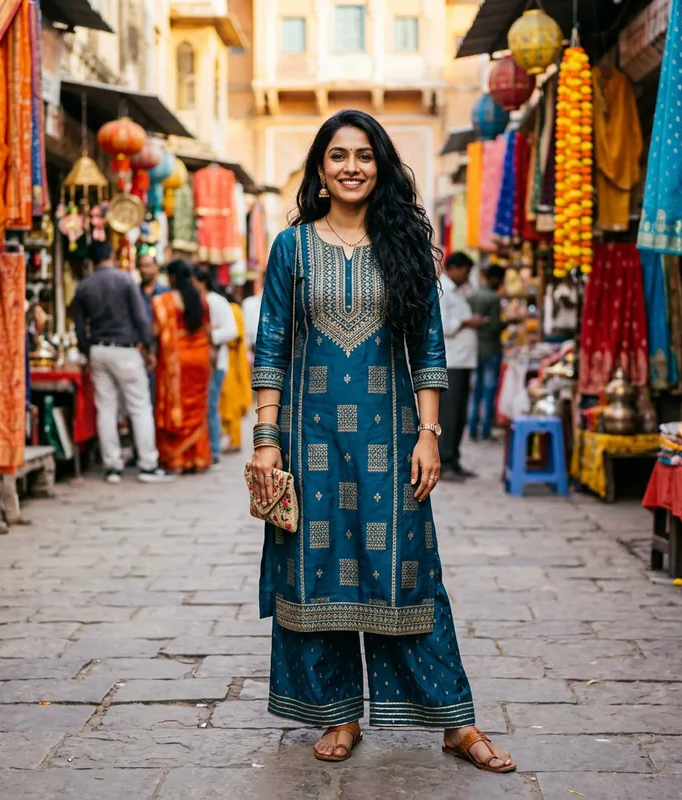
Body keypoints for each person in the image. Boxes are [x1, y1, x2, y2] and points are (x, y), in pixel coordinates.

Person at [250, 109, 515, 773]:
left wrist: (430, 435)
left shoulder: (406, 244)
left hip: (390, 439)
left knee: (409, 572)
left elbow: (427, 343)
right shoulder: (292, 248)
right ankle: (338, 712)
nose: (351, 167)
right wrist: (265, 439)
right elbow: (273, 343)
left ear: (382, 165)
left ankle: (457, 721)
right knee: (318, 575)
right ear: (318, 169)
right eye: (337, 155)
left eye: (364, 155)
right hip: (309, 440)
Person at [73, 241, 174, 484]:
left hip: (98, 349)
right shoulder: (126, 280)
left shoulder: (83, 287)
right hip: (125, 349)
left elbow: (79, 327)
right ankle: (148, 464)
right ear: (111, 256)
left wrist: (87, 351)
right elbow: (141, 317)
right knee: (139, 406)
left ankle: (112, 466)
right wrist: (148, 348)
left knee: (106, 408)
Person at [153, 260, 213, 473]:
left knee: (176, 406)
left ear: (172, 278)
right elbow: (208, 331)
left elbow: (155, 331)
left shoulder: (165, 301)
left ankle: (177, 460)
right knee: (197, 409)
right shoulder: (201, 300)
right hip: (199, 358)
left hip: (177, 360)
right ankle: (196, 458)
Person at [437, 251, 486, 481]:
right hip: (452, 362)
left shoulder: (458, 292)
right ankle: (444, 461)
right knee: (449, 414)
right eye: (466, 271)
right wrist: (467, 321)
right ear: (455, 268)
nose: (467, 277)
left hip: (463, 361)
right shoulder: (443, 290)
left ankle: (453, 458)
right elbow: (443, 325)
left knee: (459, 414)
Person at [193, 266, 238, 465]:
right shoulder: (194, 301)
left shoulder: (217, 302)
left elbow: (232, 331)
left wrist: (210, 336)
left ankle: (214, 449)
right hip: (199, 363)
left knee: (211, 406)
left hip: (216, 363)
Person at [468, 264, 508, 441]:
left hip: (474, 348)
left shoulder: (472, 296)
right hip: (491, 349)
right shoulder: (493, 298)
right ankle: (485, 429)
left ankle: (471, 428)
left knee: (475, 391)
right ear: (495, 279)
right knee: (489, 390)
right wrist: (507, 323)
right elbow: (494, 326)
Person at [219, 289, 252, 453]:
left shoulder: (232, 309)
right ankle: (231, 437)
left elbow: (235, 336)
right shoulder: (236, 309)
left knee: (231, 399)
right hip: (234, 357)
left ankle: (235, 440)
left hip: (232, 358)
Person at [137, 245, 170, 400]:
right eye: (142, 266)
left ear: (156, 268)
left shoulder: (166, 293)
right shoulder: (134, 293)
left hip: (162, 351)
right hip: (140, 352)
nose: (144, 270)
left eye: (148, 266)